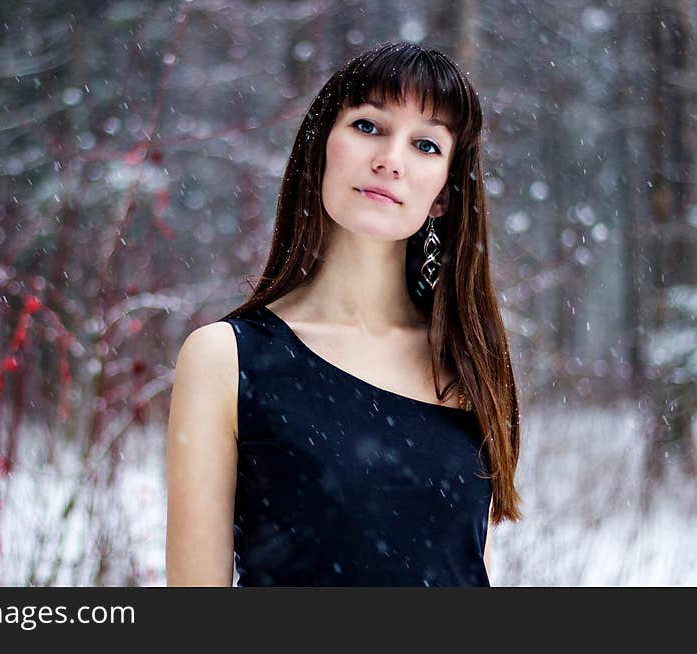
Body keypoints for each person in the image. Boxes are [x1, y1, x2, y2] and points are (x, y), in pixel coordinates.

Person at [165, 41, 522, 586]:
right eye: (369, 126)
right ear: (321, 145)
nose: (391, 160)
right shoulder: (228, 358)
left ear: (445, 194)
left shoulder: (466, 362)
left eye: (425, 144)